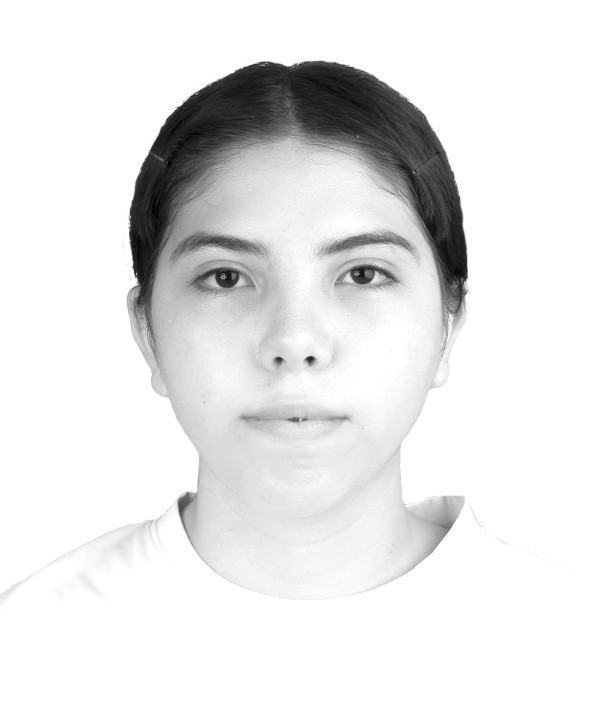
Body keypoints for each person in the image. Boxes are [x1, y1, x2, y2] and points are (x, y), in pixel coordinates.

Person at [0, 61, 588, 707]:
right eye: (226, 277)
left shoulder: (567, 647)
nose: (294, 340)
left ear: (447, 326)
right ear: (147, 333)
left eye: (362, 274)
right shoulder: (27, 651)